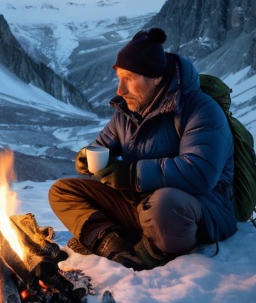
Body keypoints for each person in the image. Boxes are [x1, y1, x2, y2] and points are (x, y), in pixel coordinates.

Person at [48, 27, 238, 270]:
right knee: (62, 191)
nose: (120, 90)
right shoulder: (127, 113)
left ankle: (150, 251)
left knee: (165, 203)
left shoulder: (200, 110)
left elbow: (199, 173)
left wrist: (131, 174)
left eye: (129, 78)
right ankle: (112, 242)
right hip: (141, 206)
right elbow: (101, 146)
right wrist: (86, 157)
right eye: (119, 78)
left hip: (198, 211)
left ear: (155, 77)